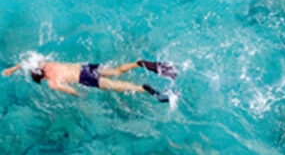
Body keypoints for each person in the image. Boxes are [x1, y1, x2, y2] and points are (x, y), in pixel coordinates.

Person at [2, 57, 177, 103]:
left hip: (84, 78)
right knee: (116, 71)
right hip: (86, 68)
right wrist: (12, 69)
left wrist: (80, 95)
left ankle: (144, 89)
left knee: (116, 86)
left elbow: (71, 90)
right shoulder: (46, 64)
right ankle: (139, 63)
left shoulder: (52, 83)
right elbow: (27, 62)